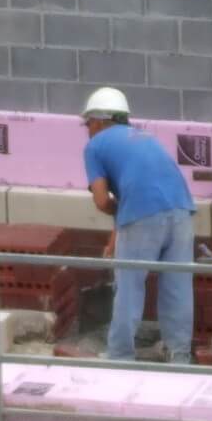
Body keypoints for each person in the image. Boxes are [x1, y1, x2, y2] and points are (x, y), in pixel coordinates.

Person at [81, 87, 197, 363]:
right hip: (182, 209)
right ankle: (178, 355)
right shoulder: (145, 137)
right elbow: (137, 191)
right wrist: (119, 230)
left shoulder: (95, 146)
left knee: (129, 287)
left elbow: (101, 200)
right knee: (177, 286)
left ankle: (120, 357)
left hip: (144, 215)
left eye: (87, 124)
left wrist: (120, 217)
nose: (87, 130)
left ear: (97, 121)